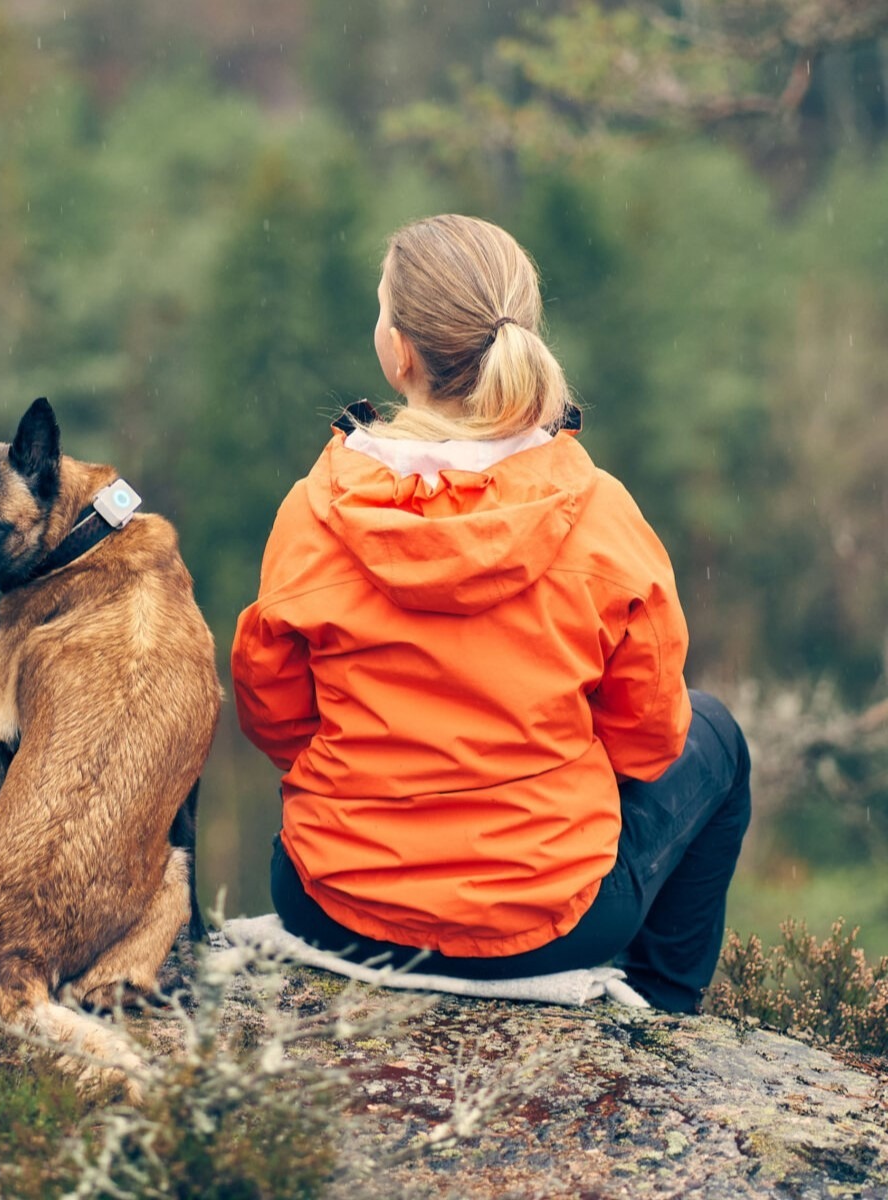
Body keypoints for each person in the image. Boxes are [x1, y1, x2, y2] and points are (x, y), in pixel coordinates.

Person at [230, 213, 750, 1014]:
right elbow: (646, 743)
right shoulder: (601, 515)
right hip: (546, 927)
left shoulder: (314, 512)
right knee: (720, 738)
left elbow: (277, 724)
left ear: (398, 351)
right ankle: (663, 1014)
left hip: (331, 907)